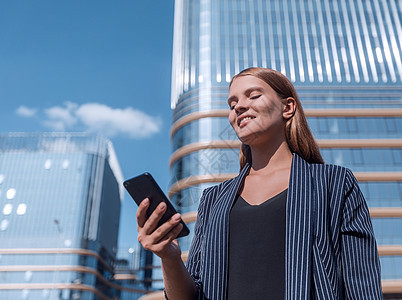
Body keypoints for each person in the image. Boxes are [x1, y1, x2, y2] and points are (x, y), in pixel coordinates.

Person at [136, 67, 383, 299]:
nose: (239, 107)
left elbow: (361, 285)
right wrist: (169, 258)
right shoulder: (213, 200)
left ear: (288, 107)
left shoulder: (334, 184)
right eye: (232, 104)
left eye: (253, 96)